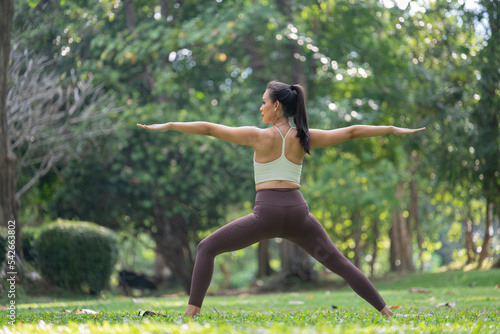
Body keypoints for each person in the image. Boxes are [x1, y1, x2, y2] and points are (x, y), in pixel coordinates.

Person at [137, 80, 425, 318]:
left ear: (277, 106)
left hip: (268, 213)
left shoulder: (257, 136)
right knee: (340, 263)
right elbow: (350, 132)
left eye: (264, 102)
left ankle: (190, 315)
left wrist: (170, 124)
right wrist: (390, 129)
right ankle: (387, 313)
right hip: (298, 213)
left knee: (206, 248)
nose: (260, 107)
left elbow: (210, 129)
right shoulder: (305, 137)